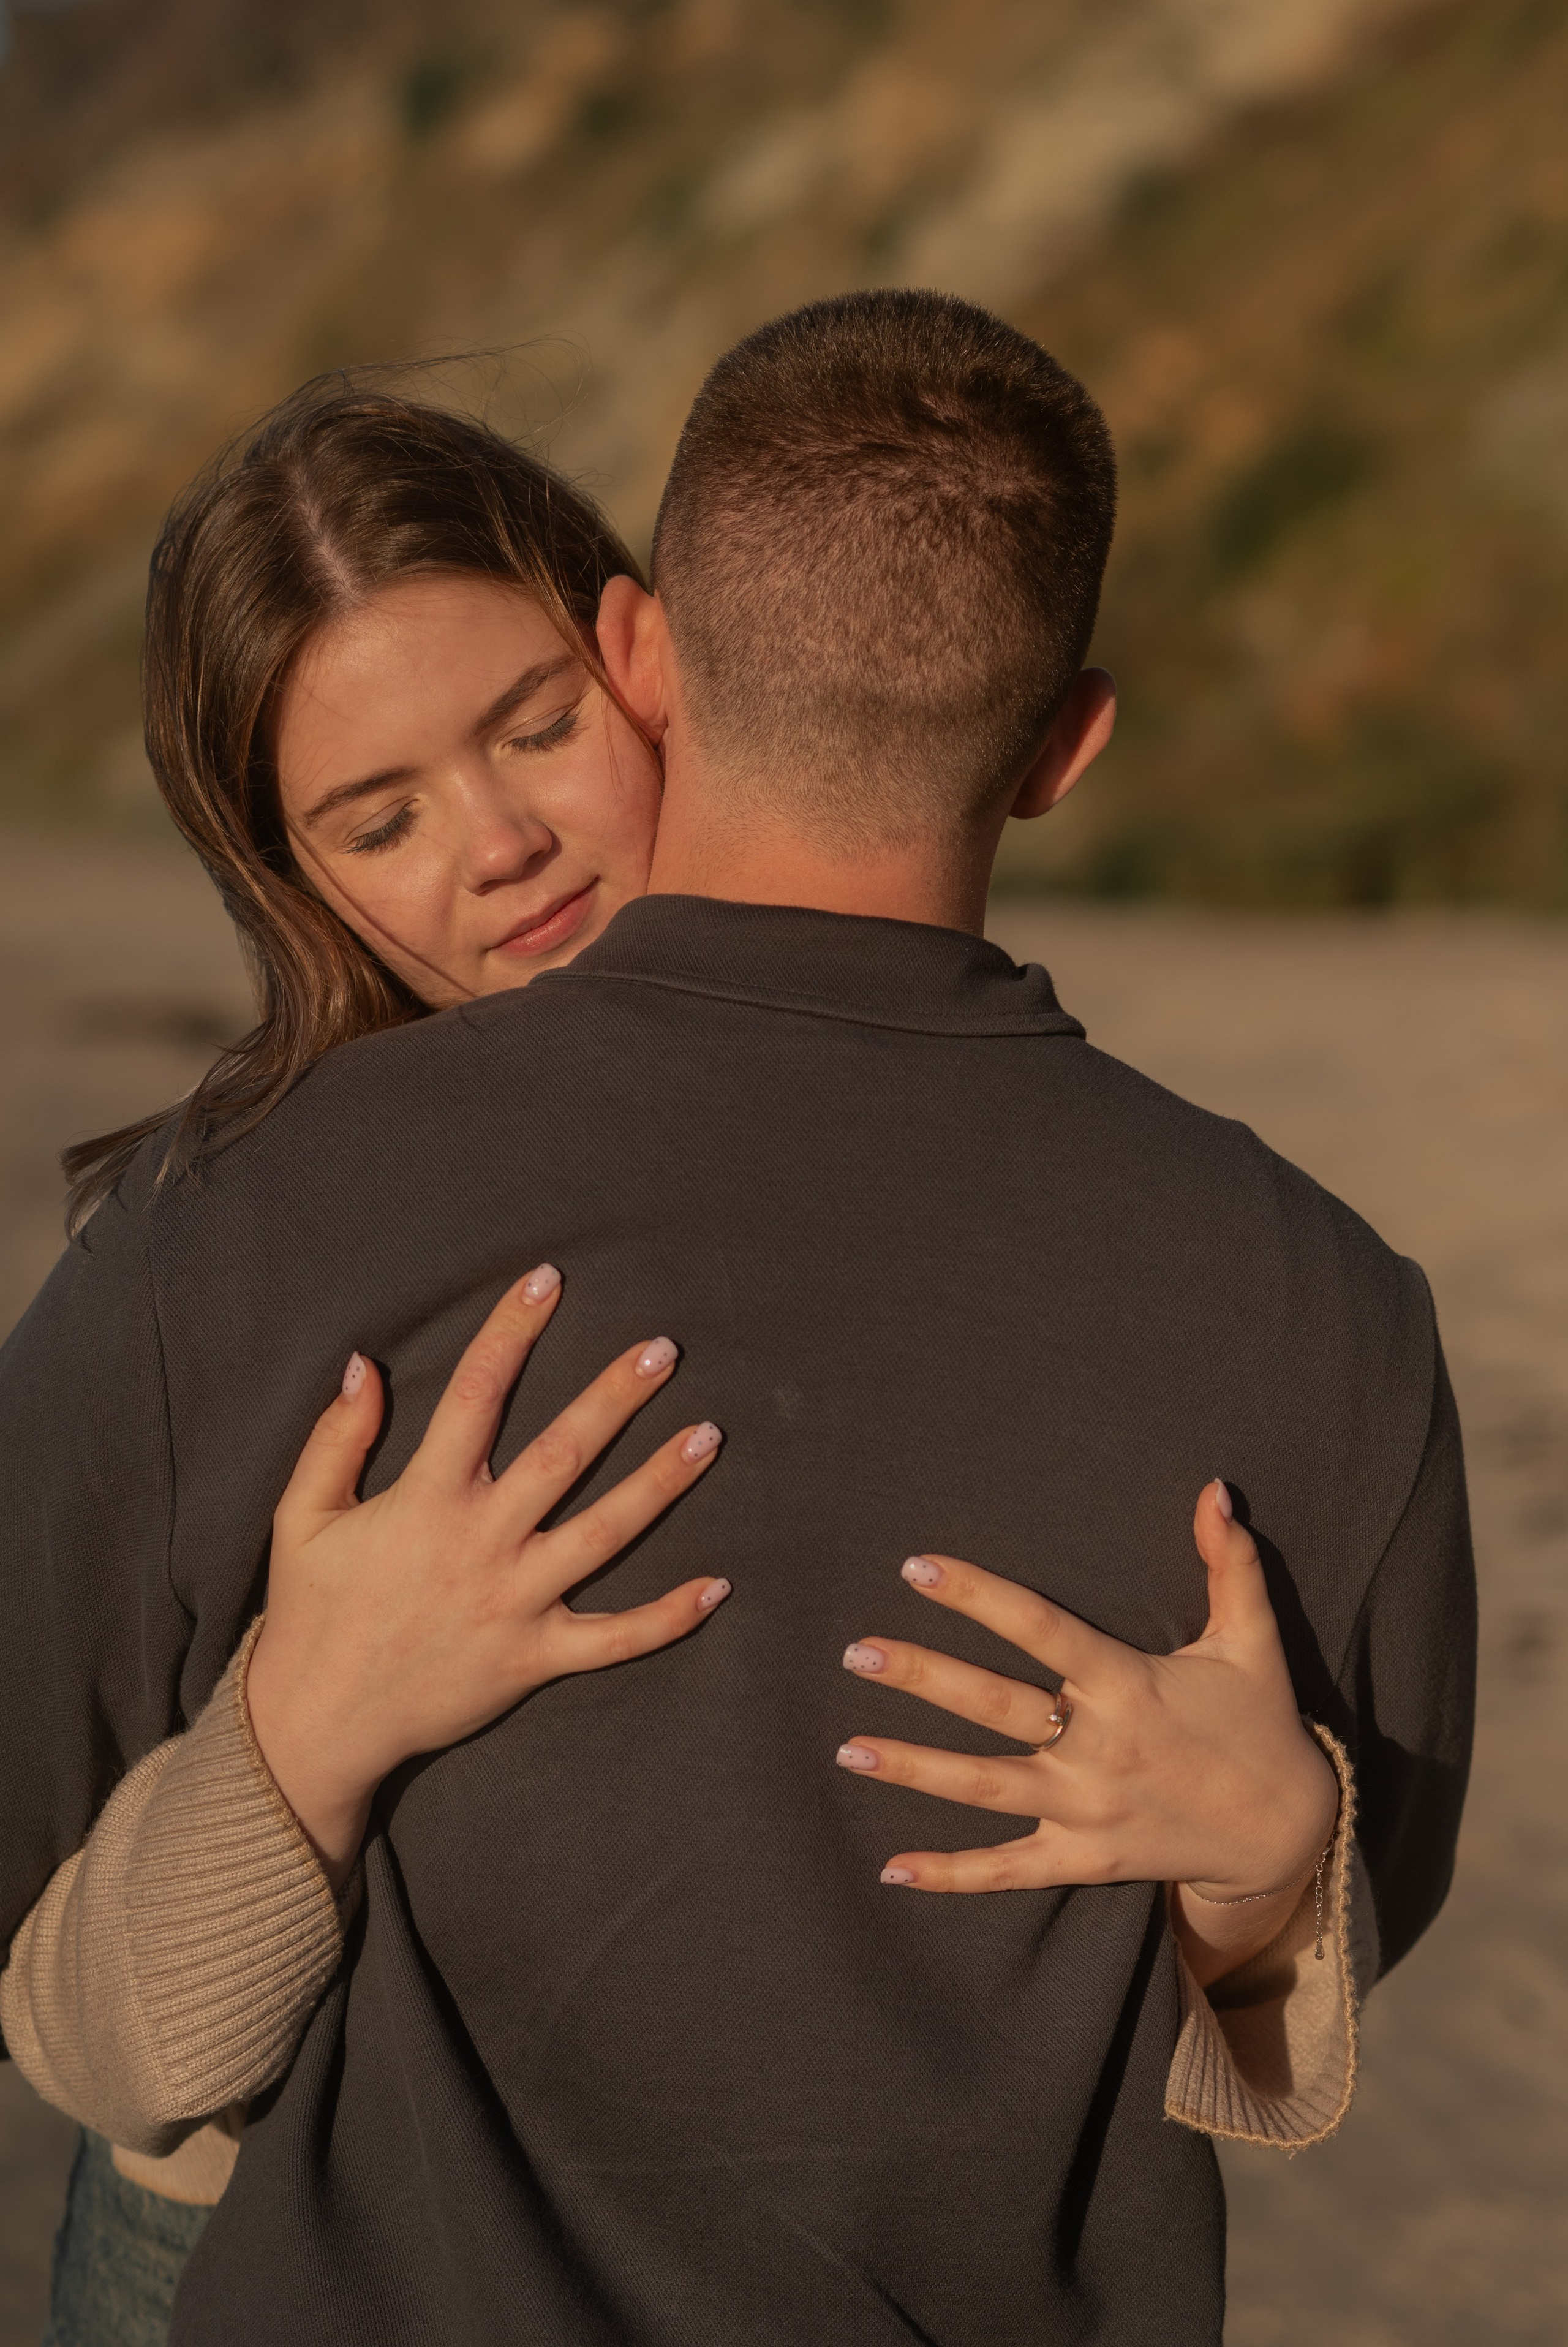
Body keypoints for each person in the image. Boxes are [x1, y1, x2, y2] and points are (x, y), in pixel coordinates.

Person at [0, 299, 1474, 2345]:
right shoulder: (232, 1239)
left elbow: (1300, 1948)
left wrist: (1273, 1867)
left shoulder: (1223, 1270)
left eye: (533, 728)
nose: (502, 849)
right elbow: (79, 2015)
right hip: (220, 2198)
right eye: (379, 819)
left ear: (644, 660)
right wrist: (302, 1723)